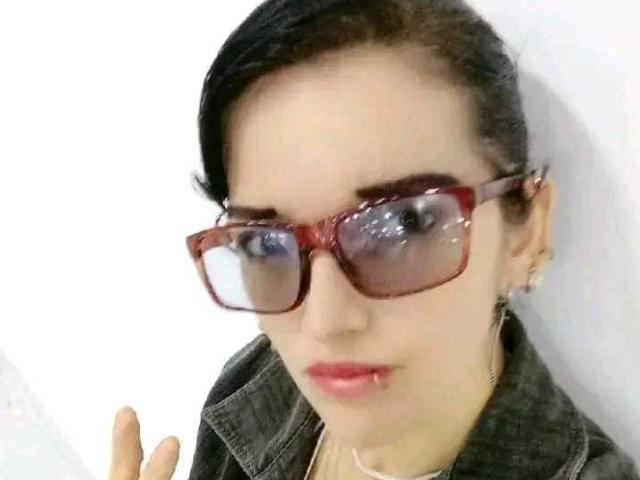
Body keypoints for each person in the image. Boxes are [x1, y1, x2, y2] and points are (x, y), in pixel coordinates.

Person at [108, 1, 639, 479]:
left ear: (526, 234)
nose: (325, 322)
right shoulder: (254, 385)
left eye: (403, 225)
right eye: (263, 243)